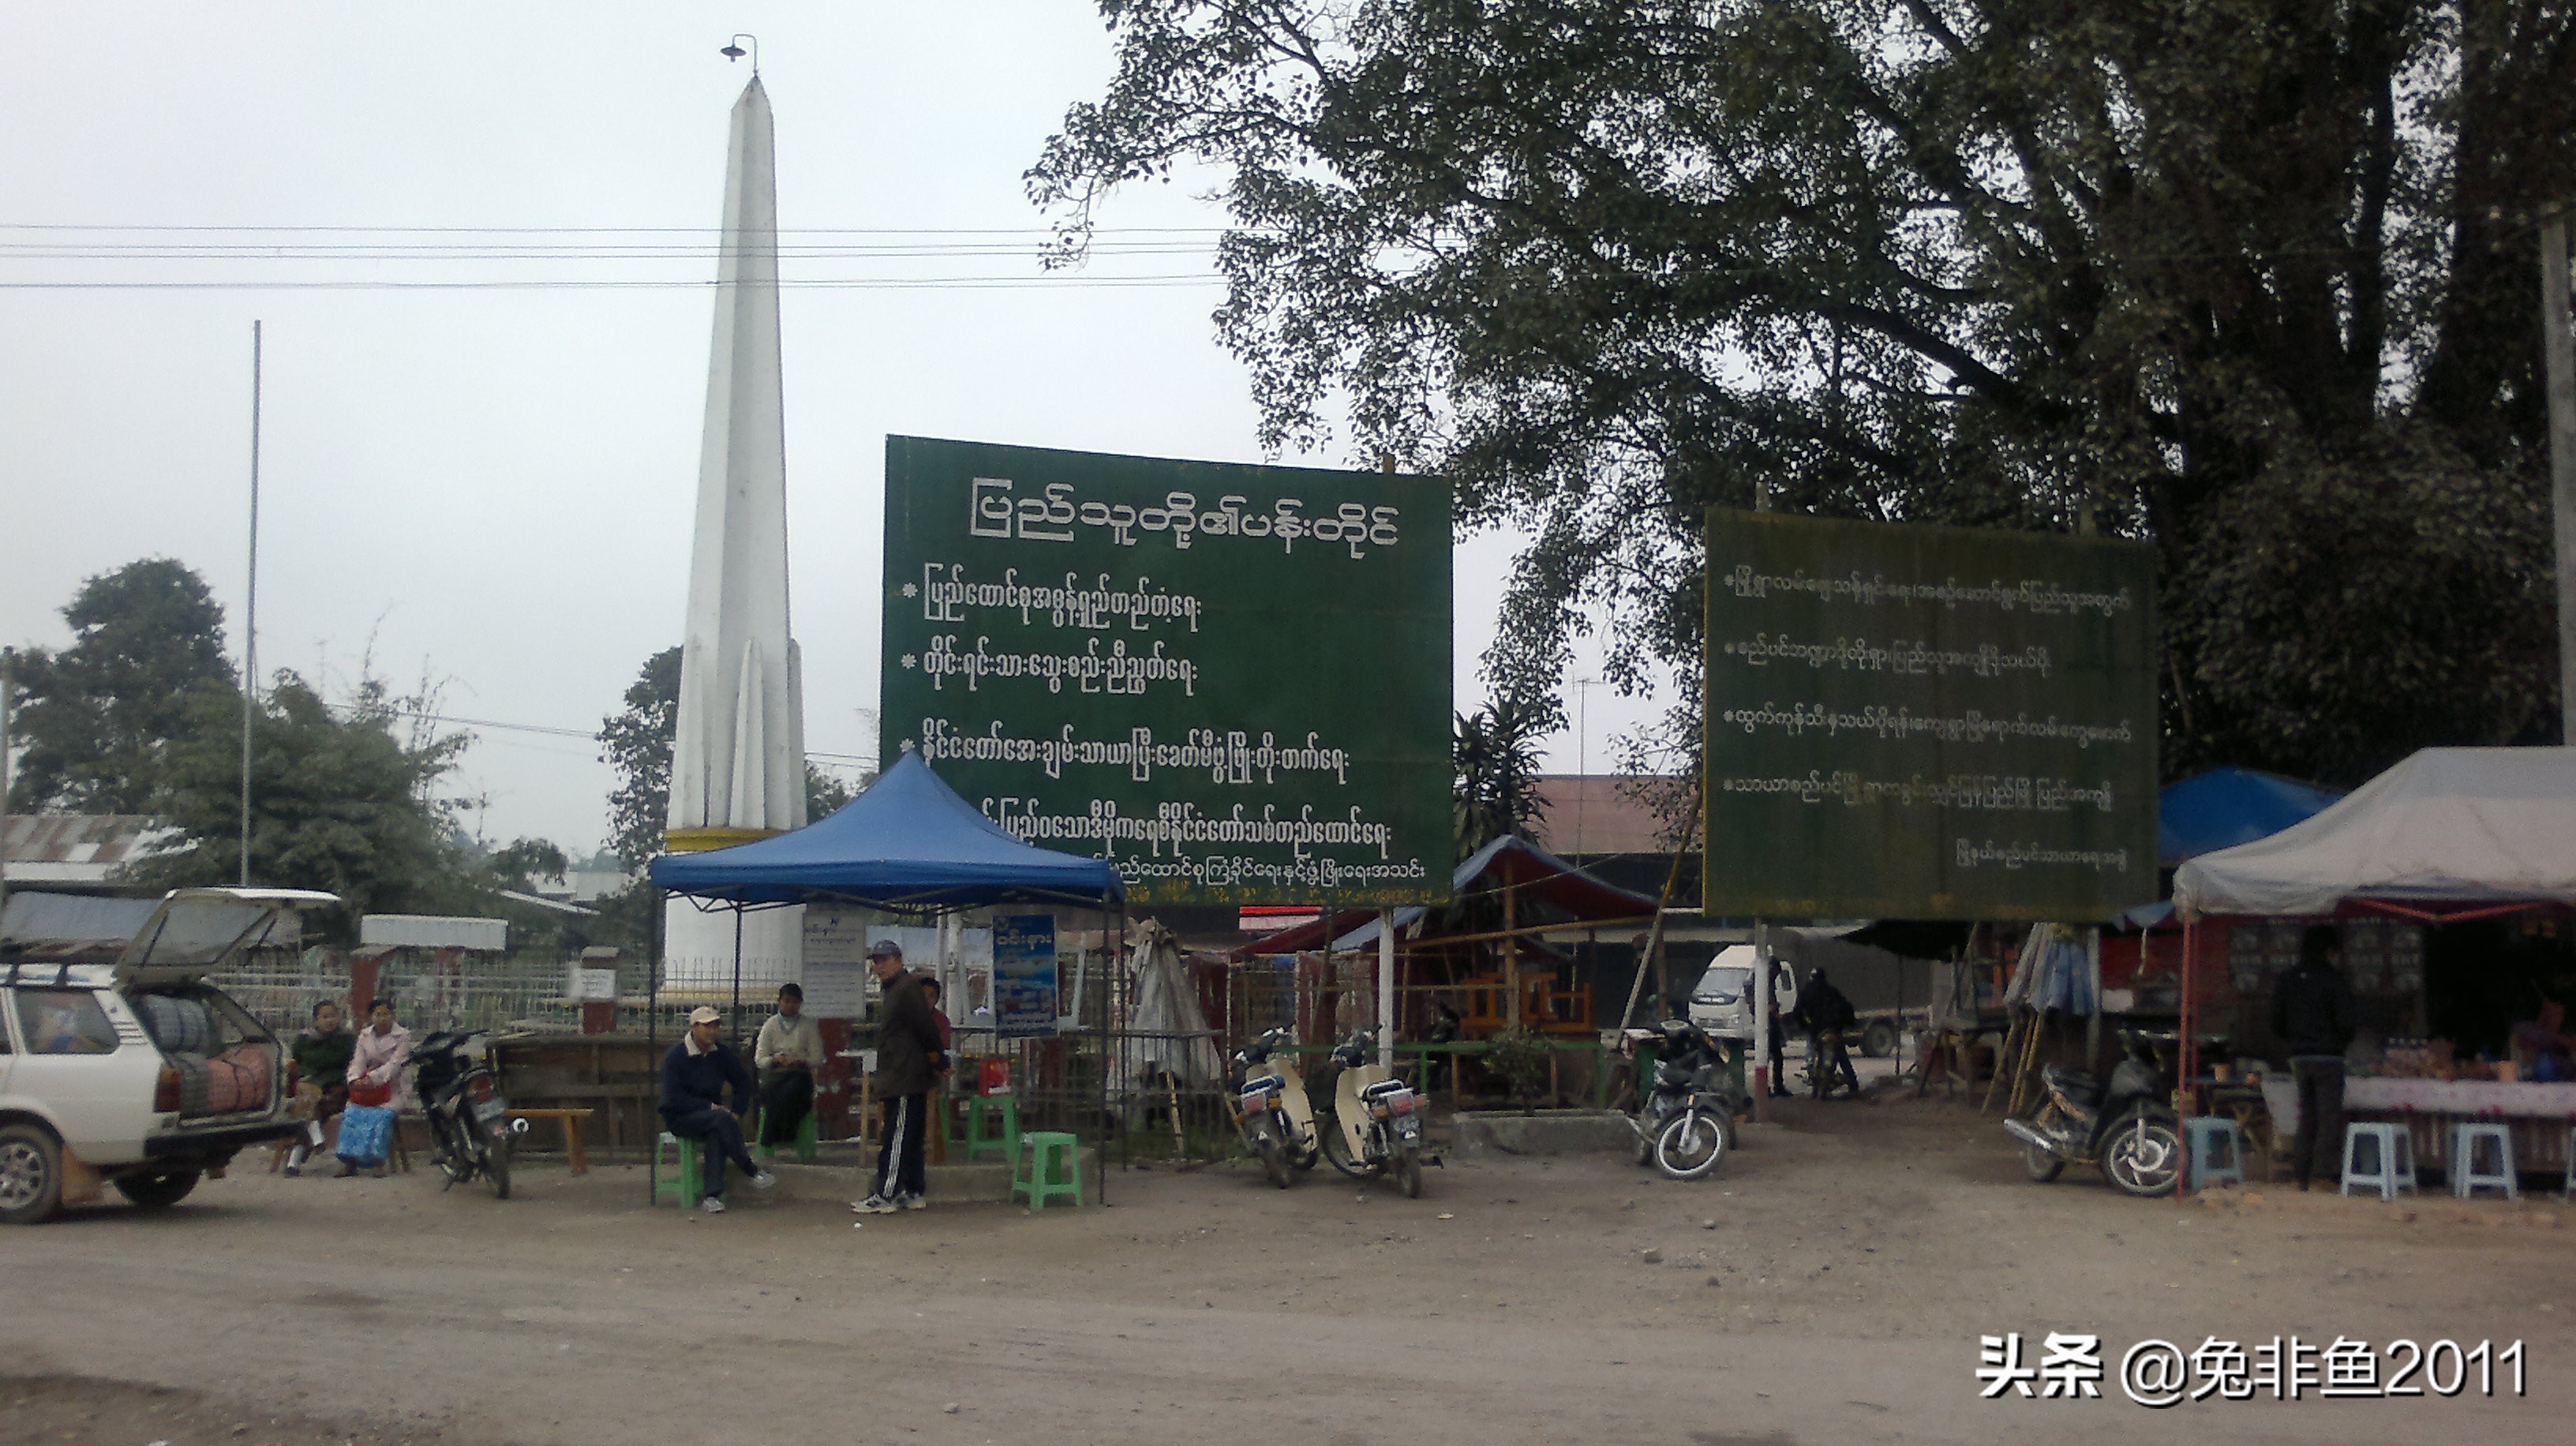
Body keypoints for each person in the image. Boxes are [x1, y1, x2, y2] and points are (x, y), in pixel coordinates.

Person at [853, 938, 946, 1216]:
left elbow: (926, 1029)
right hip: (902, 1073)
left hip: (905, 1074)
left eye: (883, 960)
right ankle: (912, 1190)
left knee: (896, 1135)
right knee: (911, 1136)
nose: (878, 966)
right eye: (875, 961)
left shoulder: (906, 989)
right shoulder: (896, 990)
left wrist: (940, 1058)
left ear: (898, 960)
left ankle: (887, 1193)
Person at [661, 1006, 775, 1213]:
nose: (713, 1031)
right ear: (694, 1027)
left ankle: (712, 1196)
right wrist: (708, 1107)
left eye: (716, 1026)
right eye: (707, 1026)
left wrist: (737, 1111)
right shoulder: (676, 1056)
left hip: (714, 1118)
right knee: (720, 1120)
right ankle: (750, 1170)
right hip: (681, 1117)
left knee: (719, 1129)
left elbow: (742, 1082)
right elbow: (672, 1098)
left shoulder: (721, 1053)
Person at [2271, 924, 2357, 1190]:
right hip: (2330, 1057)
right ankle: (2321, 1175)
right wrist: (2339, 1042)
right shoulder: (2335, 979)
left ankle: (2301, 1174)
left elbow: (2276, 1021)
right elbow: (2347, 1021)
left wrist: (2296, 1040)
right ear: (2331, 951)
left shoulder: (2288, 979)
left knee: (2307, 1115)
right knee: (2328, 1117)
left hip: (2300, 1056)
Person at [335, 999, 411, 1178]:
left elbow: (395, 1065)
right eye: (378, 1014)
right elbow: (358, 1062)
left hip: (394, 1090)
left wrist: (373, 1079)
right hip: (367, 1090)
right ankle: (349, 1162)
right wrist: (355, 1080)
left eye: (386, 1014)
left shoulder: (403, 1036)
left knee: (380, 1116)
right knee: (352, 1113)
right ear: (371, 1017)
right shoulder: (364, 1036)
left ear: (393, 1015)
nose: (382, 1018)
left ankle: (378, 1163)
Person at [285, 999, 357, 1176]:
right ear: (316, 1020)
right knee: (307, 1095)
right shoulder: (304, 1039)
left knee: (307, 1106)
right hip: (308, 1087)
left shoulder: (347, 1040)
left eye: (333, 1016)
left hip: (336, 1089)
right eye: (324, 1017)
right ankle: (315, 1138)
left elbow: (353, 1067)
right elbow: (295, 1065)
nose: (329, 1020)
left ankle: (294, 1161)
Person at [753, 983, 822, 1148]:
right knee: (773, 1092)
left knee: (792, 1090)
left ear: (800, 1003)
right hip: (776, 1075)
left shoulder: (809, 1026)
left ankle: (773, 1138)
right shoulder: (770, 1025)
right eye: (787, 1001)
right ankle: (780, 1137)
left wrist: (800, 1060)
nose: (791, 1005)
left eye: (795, 1002)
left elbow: (817, 1058)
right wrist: (775, 1059)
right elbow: (760, 1060)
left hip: (800, 1075)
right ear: (779, 1002)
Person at [1797, 968, 1861, 1100]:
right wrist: (1847, 1025)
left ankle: (1816, 1085)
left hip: (1815, 1033)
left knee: (1812, 1060)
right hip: (1833, 1031)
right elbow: (1847, 1008)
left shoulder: (1806, 992)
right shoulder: (1832, 992)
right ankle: (1853, 1084)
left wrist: (1805, 1026)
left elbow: (1798, 1012)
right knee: (1842, 1056)